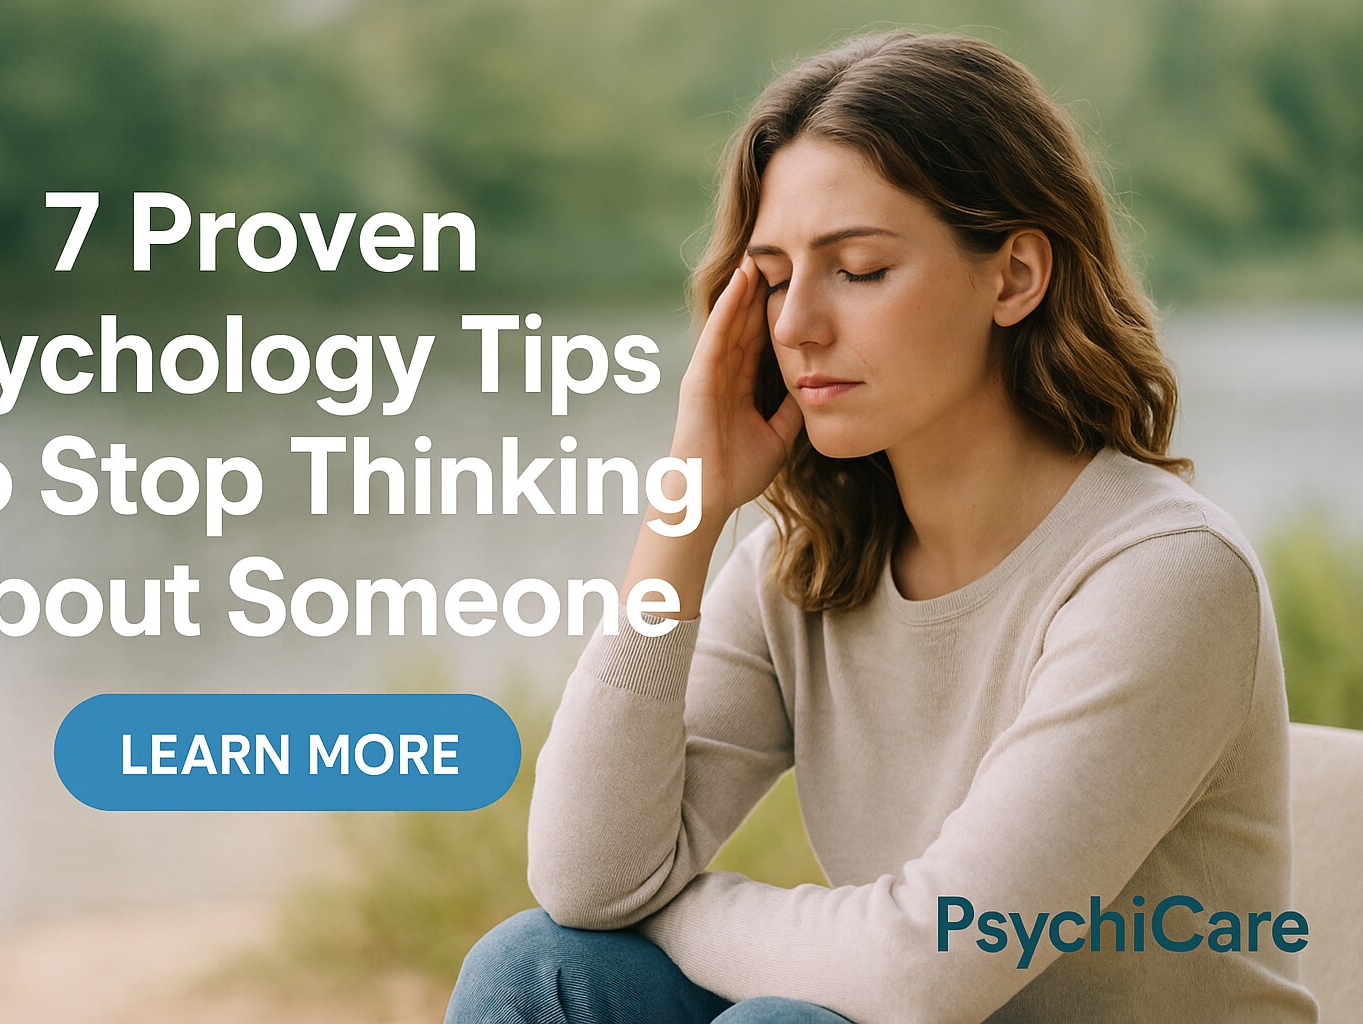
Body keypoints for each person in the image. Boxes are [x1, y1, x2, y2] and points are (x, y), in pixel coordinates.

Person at [445, 30, 1319, 1024]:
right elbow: (585, 877)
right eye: (772, 277)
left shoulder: (1163, 576)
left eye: (858, 267)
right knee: (535, 967)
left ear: (1015, 275)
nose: (796, 323)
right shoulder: (807, 561)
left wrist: (676, 907)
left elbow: (924, 971)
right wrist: (685, 508)